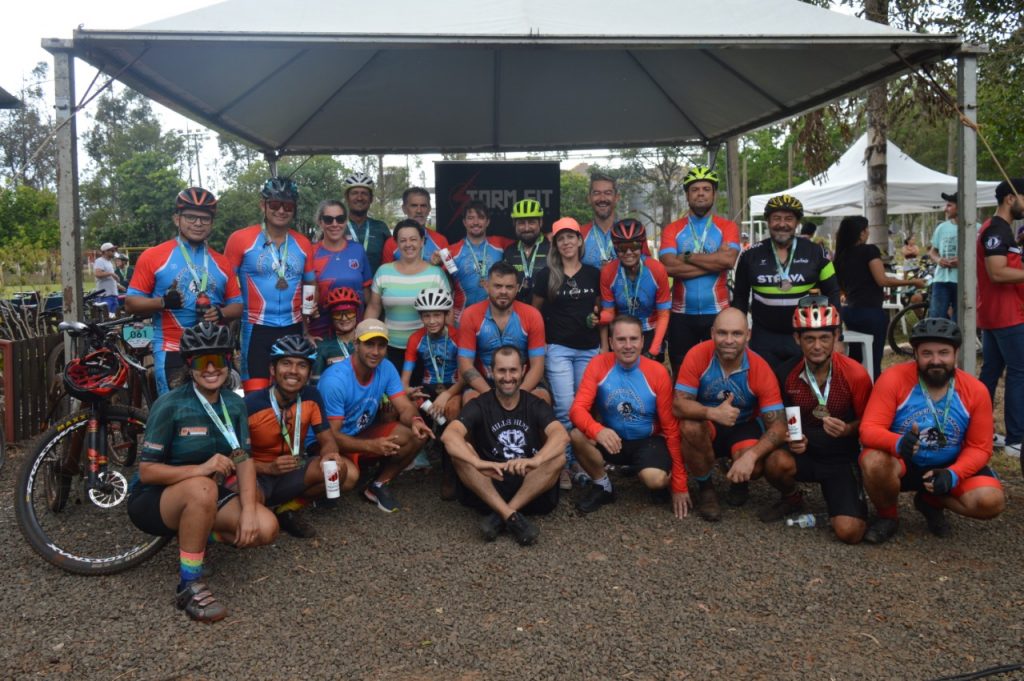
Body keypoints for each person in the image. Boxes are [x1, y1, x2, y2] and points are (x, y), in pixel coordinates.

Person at [127, 322, 278, 623]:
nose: (211, 368)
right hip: (153, 499)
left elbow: (243, 458)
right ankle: (189, 583)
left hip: (202, 494)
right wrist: (202, 469)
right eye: (201, 361)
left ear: (229, 361)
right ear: (189, 365)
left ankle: (192, 535)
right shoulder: (170, 405)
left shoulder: (234, 404)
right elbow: (147, 472)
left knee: (266, 527)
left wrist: (249, 509)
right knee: (203, 487)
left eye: (218, 359)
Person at [859, 318, 1005, 544]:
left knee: (991, 501)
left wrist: (954, 473)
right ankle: (888, 517)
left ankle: (930, 501)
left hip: (947, 465)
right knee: (874, 461)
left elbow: (980, 447)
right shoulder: (893, 379)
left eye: (944, 353)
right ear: (915, 354)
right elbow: (868, 429)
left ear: (955, 354)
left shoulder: (976, 390)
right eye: (927, 353)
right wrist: (897, 443)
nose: (936, 360)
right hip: (904, 463)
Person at [759, 297, 873, 544]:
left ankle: (846, 502)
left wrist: (847, 429)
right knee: (775, 461)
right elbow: (780, 419)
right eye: (809, 339)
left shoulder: (856, 374)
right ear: (797, 339)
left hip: (841, 460)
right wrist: (790, 438)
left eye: (824, 338)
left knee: (850, 532)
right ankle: (792, 498)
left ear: (836, 337)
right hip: (805, 454)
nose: (817, 346)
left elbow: (870, 423)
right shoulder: (785, 373)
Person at [440, 345, 568, 545]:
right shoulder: (480, 404)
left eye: (513, 370)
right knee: (461, 454)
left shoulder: (534, 404)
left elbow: (561, 435)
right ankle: (511, 516)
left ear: (523, 371)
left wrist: (537, 460)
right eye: (502, 370)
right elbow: (450, 435)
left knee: (558, 457)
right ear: (492, 372)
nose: (508, 377)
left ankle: (502, 515)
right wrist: (477, 462)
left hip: (529, 484)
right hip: (491, 482)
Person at [672, 308, 787, 521]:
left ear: (748, 335)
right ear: (712, 333)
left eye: (736, 334)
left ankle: (740, 482)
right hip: (709, 423)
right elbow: (678, 405)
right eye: (722, 333)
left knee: (755, 467)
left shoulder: (759, 367)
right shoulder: (697, 355)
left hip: (743, 426)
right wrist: (712, 412)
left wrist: (751, 457)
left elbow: (779, 426)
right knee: (689, 426)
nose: (729, 340)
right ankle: (706, 489)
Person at [569, 315, 690, 518]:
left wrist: (679, 484)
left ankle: (652, 472)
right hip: (613, 439)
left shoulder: (658, 372)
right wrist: (597, 430)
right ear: (610, 342)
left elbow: (671, 428)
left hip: (647, 440)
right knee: (575, 435)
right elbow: (576, 410)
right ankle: (603, 486)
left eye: (633, 339)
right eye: (621, 339)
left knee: (655, 480)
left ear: (642, 341)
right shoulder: (598, 364)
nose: (628, 346)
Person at [126, 187, 242, 394]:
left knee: (218, 413)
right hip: (172, 348)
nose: (198, 223)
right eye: (190, 217)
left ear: (211, 223)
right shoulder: (153, 256)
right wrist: (162, 303)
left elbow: (238, 305)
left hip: (214, 348)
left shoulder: (222, 262)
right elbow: (131, 303)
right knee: (175, 415)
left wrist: (222, 313)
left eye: (205, 219)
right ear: (176, 219)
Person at [318, 319, 434, 512]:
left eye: (381, 345)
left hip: (360, 434)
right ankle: (313, 494)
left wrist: (416, 420)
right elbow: (329, 437)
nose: (375, 351)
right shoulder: (335, 380)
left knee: (415, 434)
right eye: (369, 344)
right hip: (330, 443)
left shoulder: (386, 367)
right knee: (349, 478)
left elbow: (404, 407)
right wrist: (371, 446)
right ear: (355, 344)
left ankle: (377, 485)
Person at [244, 335, 345, 539]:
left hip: (292, 470)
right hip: (257, 475)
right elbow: (233, 456)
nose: (293, 371)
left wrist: (329, 454)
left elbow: (327, 439)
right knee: (253, 515)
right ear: (273, 369)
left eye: (301, 366)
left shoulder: (311, 396)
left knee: (337, 470)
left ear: (308, 373)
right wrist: (267, 467)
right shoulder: (250, 404)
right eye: (286, 363)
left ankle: (286, 510)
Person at [224, 177, 316, 393]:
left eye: (288, 206)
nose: (281, 211)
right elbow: (226, 284)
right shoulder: (240, 239)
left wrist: (307, 327)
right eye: (274, 205)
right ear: (262, 205)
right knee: (256, 397)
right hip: (256, 328)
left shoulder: (302, 243)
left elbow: (310, 284)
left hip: (292, 327)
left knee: (291, 394)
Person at [531, 217, 602, 489]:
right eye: (561, 238)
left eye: (571, 237)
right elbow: (534, 313)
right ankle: (562, 462)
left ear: (580, 240)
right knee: (563, 408)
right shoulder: (545, 275)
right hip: (558, 349)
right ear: (555, 244)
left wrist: (597, 319)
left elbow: (600, 309)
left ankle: (580, 462)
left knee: (583, 408)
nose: (566, 242)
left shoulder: (593, 274)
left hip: (589, 349)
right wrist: (540, 347)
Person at [733, 194, 840, 366]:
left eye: (789, 219)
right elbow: (740, 299)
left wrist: (837, 335)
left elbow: (833, 293)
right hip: (763, 337)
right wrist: (738, 335)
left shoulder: (817, 253)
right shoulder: (749, 255)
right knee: (766, 390)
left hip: (805, 335)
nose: (782, 224)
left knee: (802, 389)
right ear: (768, 221)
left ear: (797, 223)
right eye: (776, 218)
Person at [658, 166, 741, 376]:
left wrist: (686, 256)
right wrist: (714, 263)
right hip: (681, 315)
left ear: (713, 194)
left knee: (721, 370)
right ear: (687, 195)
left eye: (706, 189)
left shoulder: (728, 227)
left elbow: (729, 260)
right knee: (681, 371)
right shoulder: (672, 229)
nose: (701, 193)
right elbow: (667, 266)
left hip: (718, 312)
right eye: (695, 189)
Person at [833, 215, 926, 380]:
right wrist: (913, 282)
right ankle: (874, 392)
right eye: (867, 229)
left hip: (849, 311)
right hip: (870, 312)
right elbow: (882, 280)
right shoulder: (869, 250)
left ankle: (853, 390)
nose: (868, 233)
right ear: (861, 233)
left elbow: (840, 287)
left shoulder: (840, 256)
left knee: (855, 358)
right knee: (874, 360)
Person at [977, 178, 1024, 460]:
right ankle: (1016, 438)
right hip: (1005, 314)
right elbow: (997, 272)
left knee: (991, 374)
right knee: (1019, 373)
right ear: (1011, 198)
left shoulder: (1000, 229)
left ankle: (980, 431)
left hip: (997, 313)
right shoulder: (996, 229)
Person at [365, 219, 452, 372]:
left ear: (422, 241)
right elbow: (373, 308)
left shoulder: (436, 273)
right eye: (403, 240)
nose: (408, 244)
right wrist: (365, 335)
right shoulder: (383, 272)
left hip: (428, 349)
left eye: (413, 239)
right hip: (390, 348)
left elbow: (448, 311)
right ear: (396, 243)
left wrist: (445, 343)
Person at [458, 261, 549, 403]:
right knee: (470, 399)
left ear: (517, 288)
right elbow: (465, 364)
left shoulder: (532, 315)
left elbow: (538, 366)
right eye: (498, 286)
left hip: (522, 382)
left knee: (542, 397)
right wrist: (491, 396)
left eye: (509, 287)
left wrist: (519, 396)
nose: (503, 292)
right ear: (486, 286)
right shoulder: (470, 315)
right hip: (485, 382)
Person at [403, 287, 463, 499]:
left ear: (447, 314)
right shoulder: (416, 339)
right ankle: (416, 455)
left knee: (452, 412)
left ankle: (450, 473)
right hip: (429, 387)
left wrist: (448, 395)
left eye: (437, 314)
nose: (432, 320)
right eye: (426, 316)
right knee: (411, 403)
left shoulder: (458, 335)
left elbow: (467, 374)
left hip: (455, 385)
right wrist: (410, 392)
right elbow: (405, 381)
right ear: (421, 317)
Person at [599, 219, 671, 360]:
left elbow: (663, 314)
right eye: (622, 247)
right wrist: (597, 318)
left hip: (650, 331)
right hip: (622, 333)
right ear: (615, 248)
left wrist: (654, 350)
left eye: (634, 246)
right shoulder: (608, 272)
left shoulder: (657, 270)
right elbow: (609, 313)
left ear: (642, 245)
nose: (629, 252)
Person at [308, 200, 371, 340]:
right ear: (320, 222)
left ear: (346, 221)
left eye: (340, 219)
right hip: (321, 333)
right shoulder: (310, 253)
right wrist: (306, 331)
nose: (335, 224)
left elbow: (368, 296)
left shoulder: (357, 250)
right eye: (328, 220)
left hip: (354, 333)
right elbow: (304, 295)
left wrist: (365, 327)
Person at [446, 200, 511, 319]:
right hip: (461, 318)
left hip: (493, 317)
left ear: (488, 222)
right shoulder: (452, 251)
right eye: (470, 218)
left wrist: (547, 236)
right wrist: (433, 262)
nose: (475, 222)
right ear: (464, 222)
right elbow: (440, 281)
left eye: (481, 218)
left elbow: (524, 244)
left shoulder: (500, 243)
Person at [579, 173, 650, 269]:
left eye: (608, 193)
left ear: (617, 197)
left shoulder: (633, 232)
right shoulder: (579, 234)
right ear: (589, 198)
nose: (602, 198)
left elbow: (647, 270)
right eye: (596, 193)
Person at [382, 187, 450, 264]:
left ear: (429, 209)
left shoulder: (441, 240)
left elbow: (448, 272)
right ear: (404, 209)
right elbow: (386, 273)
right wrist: (430, 263)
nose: (419, 210)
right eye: (414, 206)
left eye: (423, 206)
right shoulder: (391, 243)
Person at [502, 199, 551, 302]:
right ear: (514, 224)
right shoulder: (509, 251)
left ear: (540, 223)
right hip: (517, 313)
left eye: (532, 222)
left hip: (548, 314)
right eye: (521, 223)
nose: (527, 228)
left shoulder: (553, 248)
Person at [343, 171, 391, 272]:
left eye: (364, 193)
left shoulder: (381, 227)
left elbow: (391, 261)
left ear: (371, 199)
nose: (359, 198)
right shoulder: (336, 226)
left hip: (375, 286)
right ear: (347, 198)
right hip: (343, 286)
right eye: (354, 193)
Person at [311, 287, 361, 382]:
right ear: (331, 317)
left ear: (357, 314)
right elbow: (316, 384)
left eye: (349, 313)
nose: (344, 318)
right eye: (337, 314)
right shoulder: (322, 346)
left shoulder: (366, 342)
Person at [928, 192, 960, 321]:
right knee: (936, 320)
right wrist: (938, 259)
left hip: (965, 282)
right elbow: (932, 251)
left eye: (949, 205)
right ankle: (936, 341)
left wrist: (964, 261)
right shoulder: (941, 227)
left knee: (961, 321)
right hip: (941, 280)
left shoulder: (977, 228)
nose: (945, 209)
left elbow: (981, 256)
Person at [94, 242, 121, 314]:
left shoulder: (109, 262)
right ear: (105, 252)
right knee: (106, 319)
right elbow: (98, 274)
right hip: (105, 296)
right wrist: (112, 274)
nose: (114, 252)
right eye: (112, 250)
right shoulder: (100, 261)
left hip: (113, 294)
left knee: (114, 318)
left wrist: (117, 283)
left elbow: (109, 278)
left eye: (114, 250)